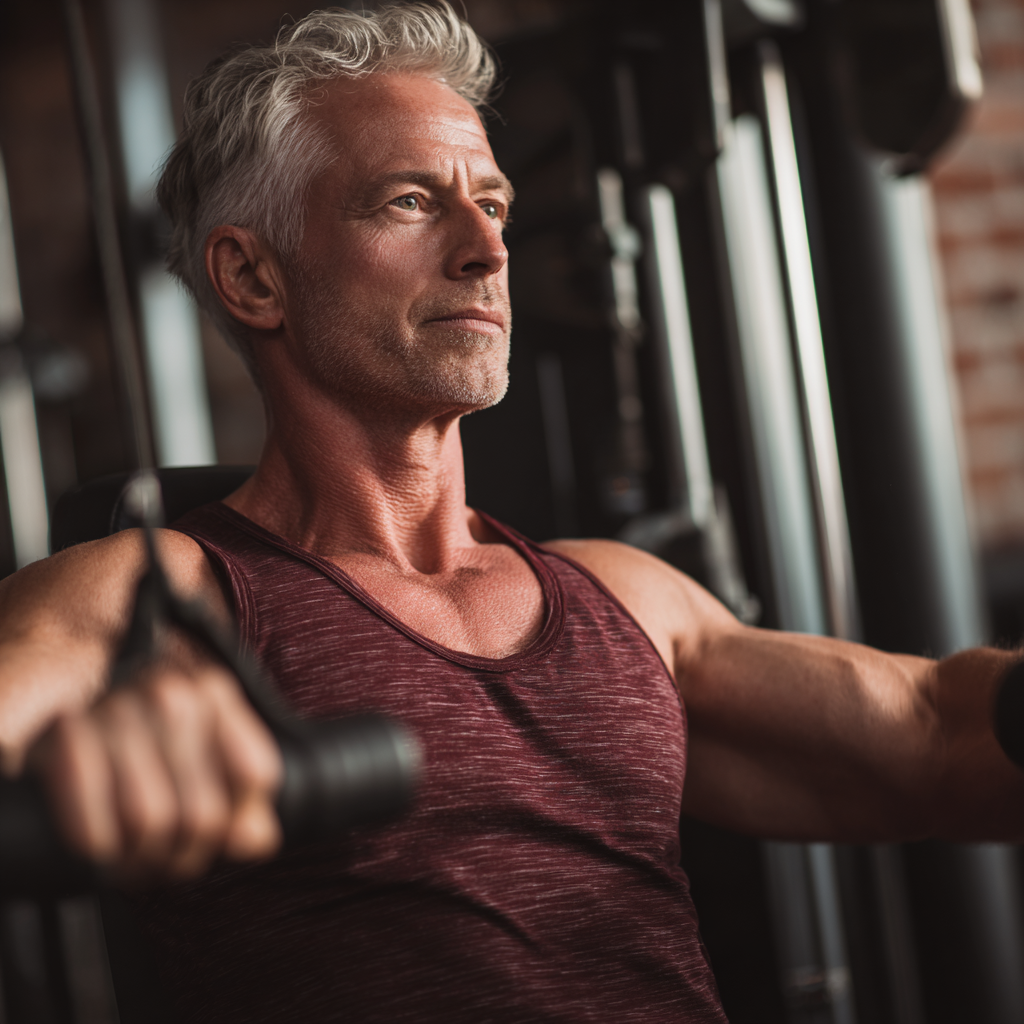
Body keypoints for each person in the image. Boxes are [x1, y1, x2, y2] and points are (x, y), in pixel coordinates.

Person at [0, 3, 1020, 1020]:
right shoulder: (159, 598)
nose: (486, 248)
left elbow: (935, 740)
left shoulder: (620, 597)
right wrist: (89, 758)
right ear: (254, 276)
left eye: (490, 202)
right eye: (408, 201)